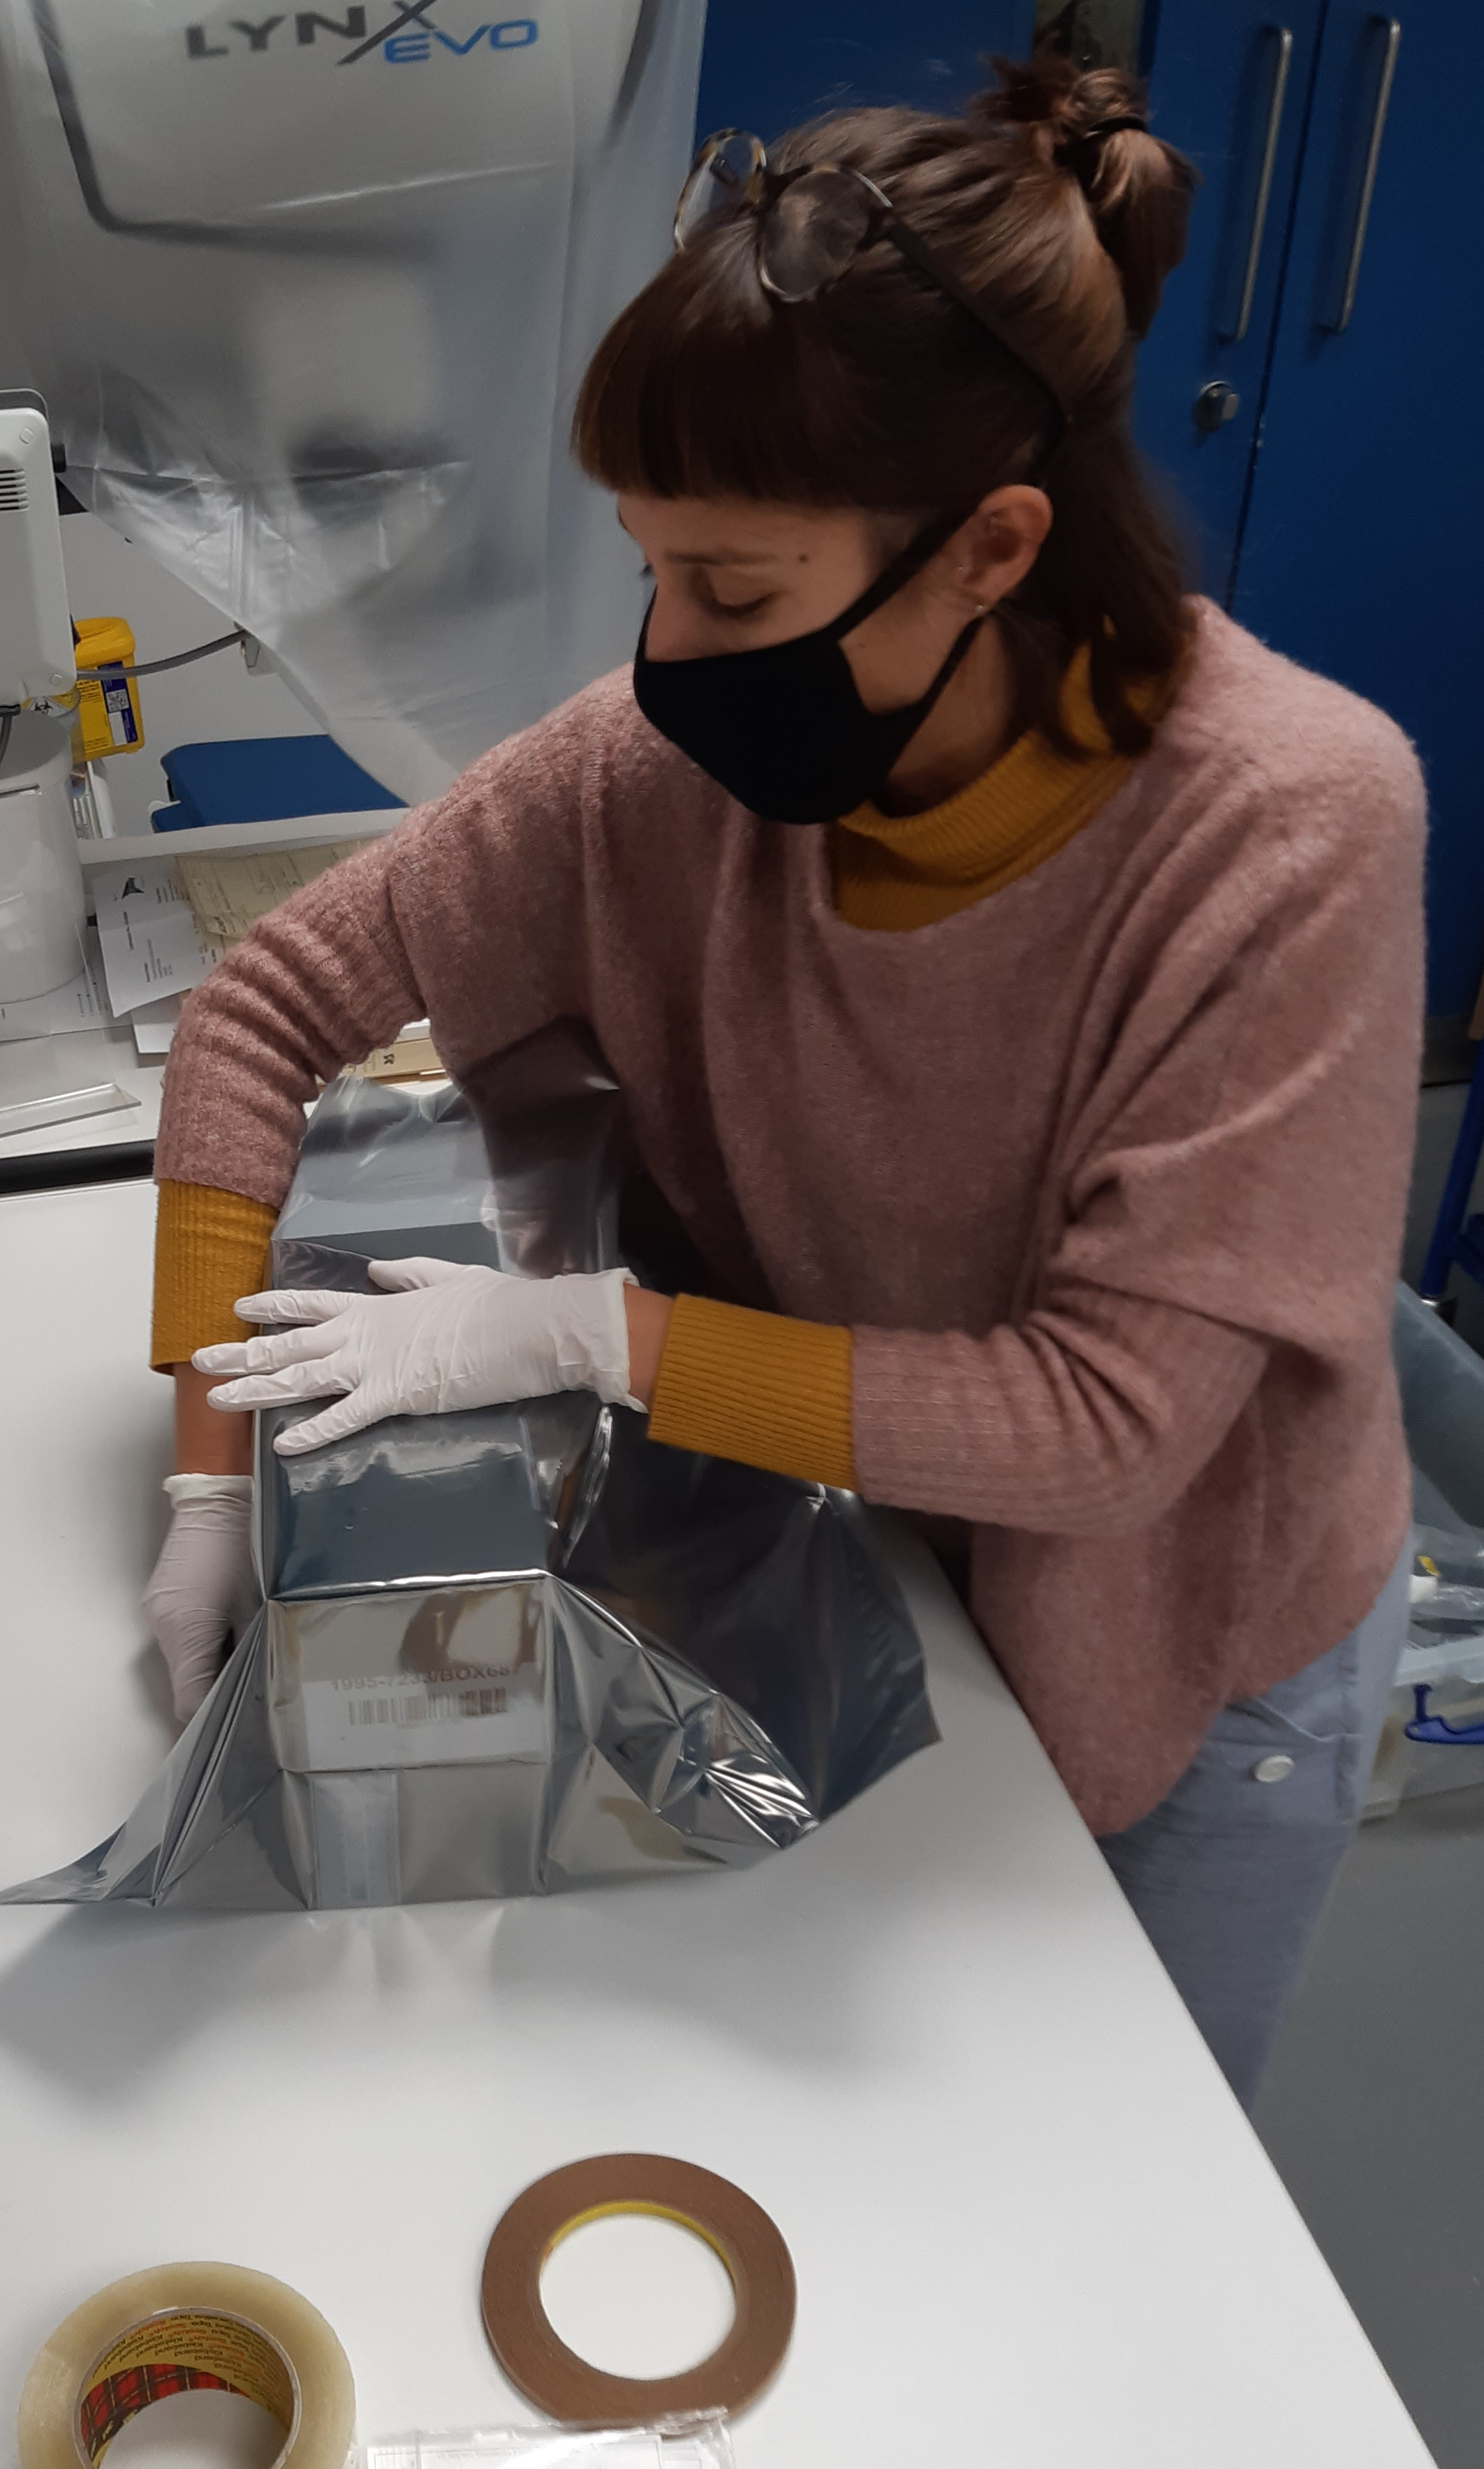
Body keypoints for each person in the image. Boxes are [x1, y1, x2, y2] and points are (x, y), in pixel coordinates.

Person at [141, 58, 1421, 2110]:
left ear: (991, 547)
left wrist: (589, 1330)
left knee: (1105, 2198)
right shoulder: (654, 769)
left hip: (1180, 1626)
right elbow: (263, 1006)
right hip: (871, 1539)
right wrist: (209, 1466)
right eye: (648, 565)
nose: (663, 649)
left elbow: (1106, 1431)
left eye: (732, 591)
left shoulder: (1280, 830)